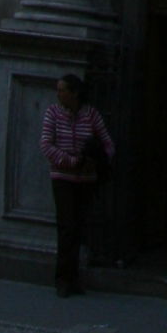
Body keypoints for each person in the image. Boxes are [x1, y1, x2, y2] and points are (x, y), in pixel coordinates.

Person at [41, 74, 113, 297]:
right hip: (62, 178)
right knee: (67, 227)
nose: (59, 94)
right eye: (58, 89)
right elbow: (46, 145)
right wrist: (71, 161)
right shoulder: (53, 113)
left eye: (63, 90)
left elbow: (107, 142)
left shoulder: (90, 114)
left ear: (75, 93)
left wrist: (98, 161)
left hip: (85, 180)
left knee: (79, 227)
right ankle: (63, 278)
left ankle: (74, 278)